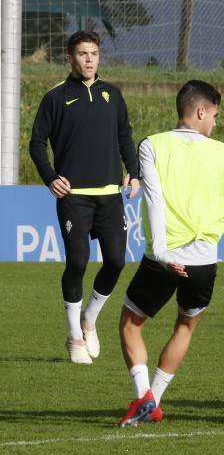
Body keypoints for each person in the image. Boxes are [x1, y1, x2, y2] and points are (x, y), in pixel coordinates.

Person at [117, 80, 224, 428]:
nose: (214, 122)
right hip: (205, 259)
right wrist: (210, 247)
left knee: (130, 324)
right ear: (200, 111)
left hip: (166, 257)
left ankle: (144, 397)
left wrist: (163, 252)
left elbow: (153, 200)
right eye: (214, 115)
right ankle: (155, 398)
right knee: (185, 325)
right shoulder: (223, 151)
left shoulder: (153, 145)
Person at [29, 30, 140, 364]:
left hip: (110, 196)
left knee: (117, 262)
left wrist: (133, 172)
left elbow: (125, 136)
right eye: (82, 53)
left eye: (94, 53)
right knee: (77, 261)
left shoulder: (113, 94)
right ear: (70, 58)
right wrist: (51, 178)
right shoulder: (55, 97)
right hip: (74, 196)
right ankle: (75, 338)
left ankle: (89, 318)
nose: (89, 59)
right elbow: (37, 143)